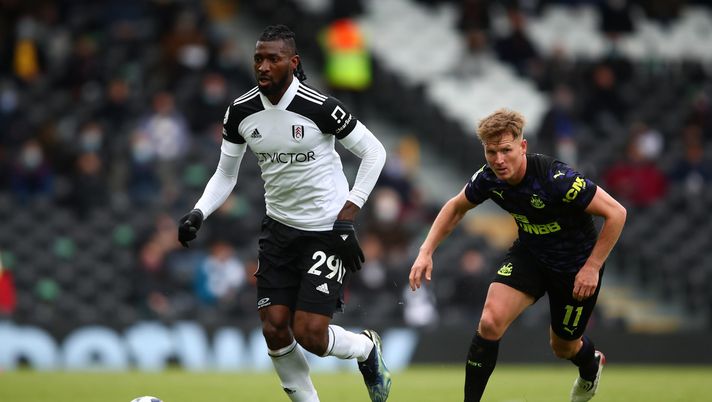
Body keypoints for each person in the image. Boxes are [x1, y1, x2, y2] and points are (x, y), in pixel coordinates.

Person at [177, 25, 390, 402]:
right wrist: (199, 211)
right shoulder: (240, 112)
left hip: (327, 230)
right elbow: (226, 174)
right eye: (258, 58)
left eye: (272, 59)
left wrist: (348, 215)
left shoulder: (320, 107)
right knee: (275, 328)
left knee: (309, 334)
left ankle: (365, 349)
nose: (263, 66)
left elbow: (375, 153)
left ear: (293, 63)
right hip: (278, 230)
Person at [409, 109, 626, 402]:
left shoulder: (556, 178)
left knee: (563, 347)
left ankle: (590, 364)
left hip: (574, 267)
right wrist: (426, 251)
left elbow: (616, 213)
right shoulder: (489, 178)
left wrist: (593, 266)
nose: (498, 160)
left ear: (522, 147)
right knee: (489, 321)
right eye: (491, 152)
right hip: (531, 256)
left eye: (506, 150)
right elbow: (456, 207)